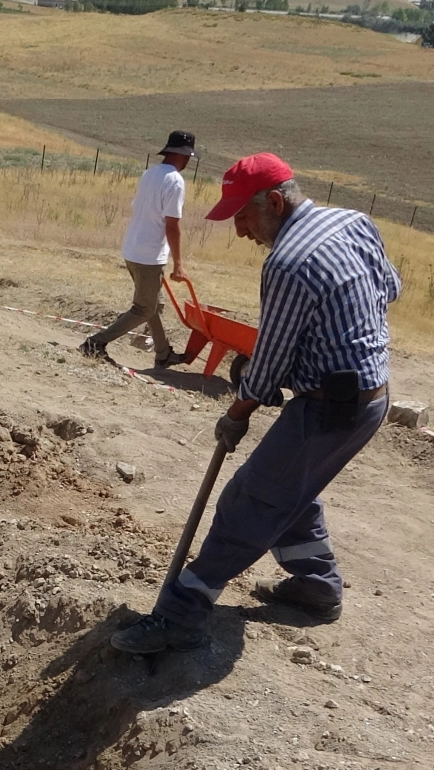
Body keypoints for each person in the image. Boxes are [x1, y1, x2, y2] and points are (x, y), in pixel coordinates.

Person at [111, 152, 400, 655]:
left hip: (329, 408)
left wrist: (236, 413)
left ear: (272, 202)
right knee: (290, 488)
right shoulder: (355, 222)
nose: (241, 231)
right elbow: (389, 289)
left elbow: (268, 358)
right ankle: (316, 587)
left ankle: (180, 616)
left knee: (250, 501)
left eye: (243, 217)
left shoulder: (289, 263)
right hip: (371, 398)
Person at [80, 130, 196, 367]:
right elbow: (172, 225)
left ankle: (163, 353)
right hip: (149, 255)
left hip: (133, 250)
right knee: (144, 308)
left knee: (151, 305)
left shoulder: (150, 173)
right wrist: (179, 264)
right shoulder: (175, 180)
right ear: (184, 156)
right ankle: (95, 343)